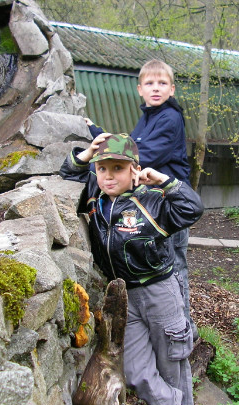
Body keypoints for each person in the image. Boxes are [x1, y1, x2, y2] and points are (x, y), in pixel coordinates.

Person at [60, 133, 206, 405]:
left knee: (171, 359)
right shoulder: (95, 196)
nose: (108, 176)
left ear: (134, 170)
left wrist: (164, 180)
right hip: (125, 296)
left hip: (160, 291)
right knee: (135, 369)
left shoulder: (151, 201)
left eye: (118, 168)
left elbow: (193, 208)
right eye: (103, 168)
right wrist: (87, 153)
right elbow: (67, 174)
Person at [85, 59, 198, 341]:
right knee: (163, 262)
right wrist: (99, 135)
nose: (155, 88)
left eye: (162, 83)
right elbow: (131, 148)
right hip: (153, 204)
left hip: (168, 204)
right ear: (139, 89)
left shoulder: (169, 117)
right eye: (149, 83)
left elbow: (143, 155)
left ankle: (184, 328)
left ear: (172, 89)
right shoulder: (149, 117)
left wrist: (99, 159)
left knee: (175, 265)